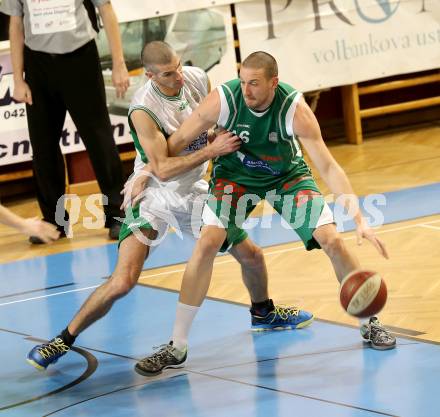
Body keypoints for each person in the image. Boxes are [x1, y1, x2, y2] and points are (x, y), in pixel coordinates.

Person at [26, 42, 313, 372]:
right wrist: (211, 150)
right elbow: (160, 167)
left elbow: (210, 127)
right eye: (167, 73)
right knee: (123, 280)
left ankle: (263, 312)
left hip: (194, 191)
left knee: (252, 255)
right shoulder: (142, 109)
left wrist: (215, 138)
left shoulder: (195, 78)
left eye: (178, 66)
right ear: (150, 76)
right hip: (153, 193)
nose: (177, 76)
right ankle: (61, 340)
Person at [135, 50, 396, 375]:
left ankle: (369, 321)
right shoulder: (223, 100)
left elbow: (328, 165)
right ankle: (177, 345)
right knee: (207, 243)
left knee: (332, 239)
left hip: (287, 176)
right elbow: (174, 143)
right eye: (243, 81)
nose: (246, 90)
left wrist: (359, 219)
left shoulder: (295, 110)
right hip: (235, 175)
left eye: (255, 83)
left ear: (274, 82)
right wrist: (145, 172)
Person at [1, 0, 129, 242]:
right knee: (43, 147)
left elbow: (106, 9)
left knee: (99, 139)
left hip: (80, 57)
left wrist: (118, 63)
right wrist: (18, 78)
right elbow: (16, 24)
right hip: (37, 63)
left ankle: (117, 215)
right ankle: (54, 222)